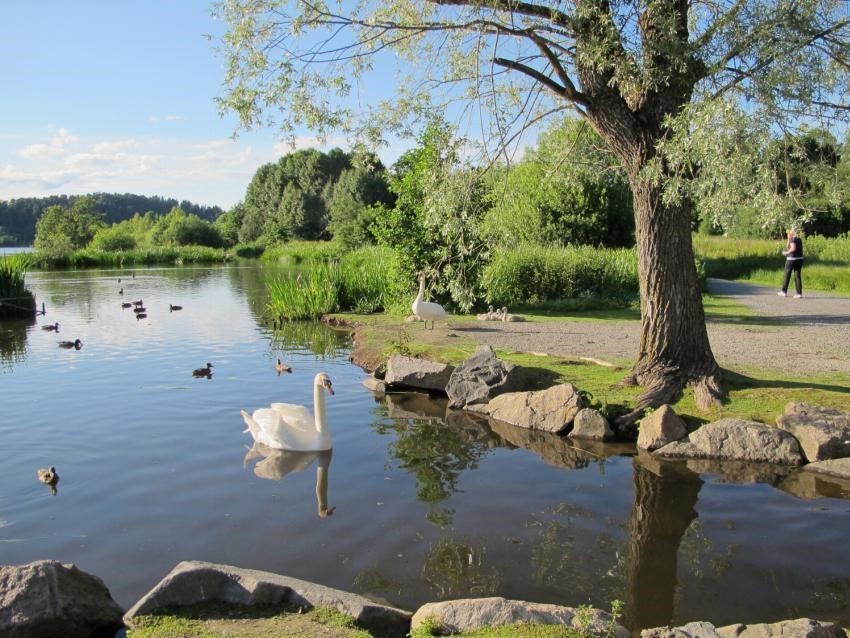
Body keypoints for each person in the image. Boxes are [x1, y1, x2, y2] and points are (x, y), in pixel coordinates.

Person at [778, 229, 803, 298]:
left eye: (788, 234)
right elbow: (788, 246)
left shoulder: (793, 239)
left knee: (787, 275)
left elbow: (792, 249)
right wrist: (788, 239)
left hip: (791, 259)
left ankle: (784, 291)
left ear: (791, 233)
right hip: (799, 259)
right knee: (797, 276)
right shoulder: (798, 239)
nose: (787, 235)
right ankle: (799, 293)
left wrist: (785, 253)